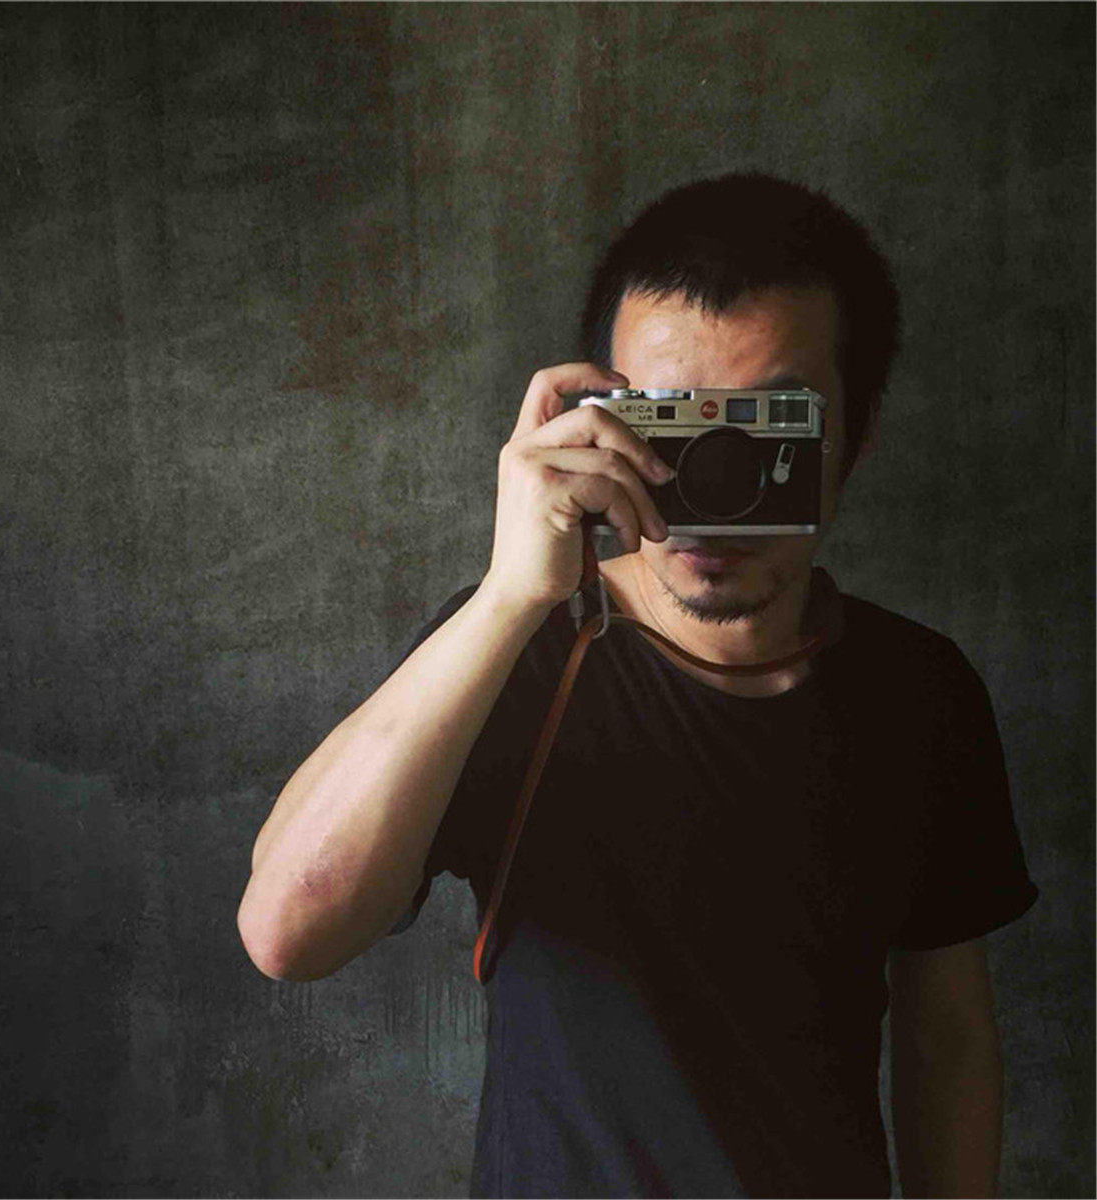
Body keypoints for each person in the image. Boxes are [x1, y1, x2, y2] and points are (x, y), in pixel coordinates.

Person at [236, 173, 1039, 1199]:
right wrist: (511, 595)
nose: (713, 487)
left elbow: (948, 1034)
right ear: (598, 418)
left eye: (764, 432)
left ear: (857, 433)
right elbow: (287, 934)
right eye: (675, 427)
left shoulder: (920, 692)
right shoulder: (515, 652)